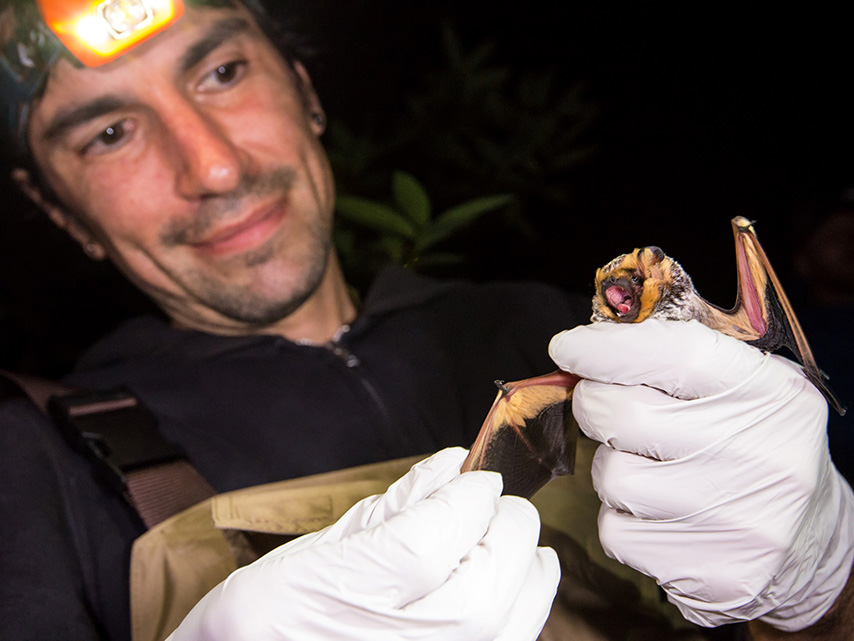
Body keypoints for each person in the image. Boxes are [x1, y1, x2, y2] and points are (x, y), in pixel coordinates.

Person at [0, 1, 851, 640]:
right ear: (63, 212)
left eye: (222, 73)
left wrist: (823, 588)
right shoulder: (35, 459)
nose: (214, 166)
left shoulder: (544, 324)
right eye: (110, 131)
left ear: (304, 92)